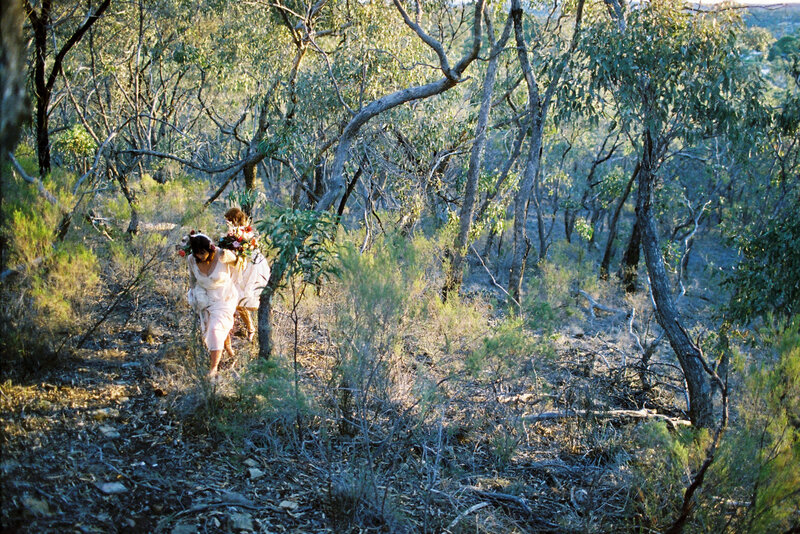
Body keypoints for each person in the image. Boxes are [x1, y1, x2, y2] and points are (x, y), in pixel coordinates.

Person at [186, 233, 238, 378]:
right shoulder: (191, 260)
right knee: (213, 328)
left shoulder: (222, 255)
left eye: (202, 252)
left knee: (215, 330)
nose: (200, 256)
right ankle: (228, 350)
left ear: (210, 249)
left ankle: (213, 369)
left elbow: (240, 263)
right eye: (197, 253)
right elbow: (192, 279)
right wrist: (196, 296)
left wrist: (232, 255)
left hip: (224, 297)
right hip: (206, 298)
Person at [223, 208, 270, 342]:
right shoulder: (234, 232)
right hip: (239, 264)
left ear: (234, 219)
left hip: (251, 266)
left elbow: (247, 247)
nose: (226, 222)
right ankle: (242, 328)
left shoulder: (245, 232)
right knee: (235, 299)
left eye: (228, 219)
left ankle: (250, 329)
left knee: (241, 298)